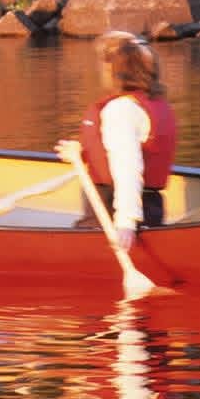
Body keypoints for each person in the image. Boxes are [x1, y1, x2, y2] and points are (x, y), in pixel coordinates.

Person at [55, 31, 180, 251]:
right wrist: (81, 152)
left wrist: (125, 223)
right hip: (151, 207)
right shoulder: (151, 105)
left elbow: (128, 167)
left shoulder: (121, 110)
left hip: (111, 208)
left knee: (66, 248)